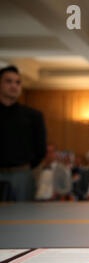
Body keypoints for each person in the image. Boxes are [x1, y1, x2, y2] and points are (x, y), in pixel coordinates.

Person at [0, 66, 46, 201]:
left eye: (17, 82)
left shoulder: (33, 115)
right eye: (8, 81)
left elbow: (40, 149)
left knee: (23, 215)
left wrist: (25, 167)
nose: (14, 86)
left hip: (22, 173)